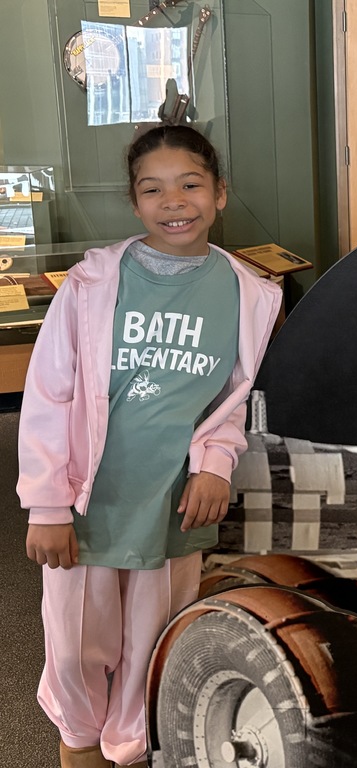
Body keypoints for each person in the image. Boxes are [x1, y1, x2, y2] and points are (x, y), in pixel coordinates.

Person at [17, 125, 282, 768]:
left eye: (191, 184)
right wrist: (48, 505)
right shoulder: (91, 283)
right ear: (134, 203)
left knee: (154, 642)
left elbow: (229, 398)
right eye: (153, 188)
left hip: (172, 506)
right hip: (90, 502)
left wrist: (215, 464)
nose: (175, 201)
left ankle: (131, 748)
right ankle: (79, 745)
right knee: (79, 646)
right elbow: (50, 394)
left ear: (220, 194)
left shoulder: (253, 294)